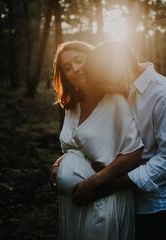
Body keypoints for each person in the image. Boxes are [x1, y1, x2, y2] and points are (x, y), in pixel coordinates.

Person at [72, 41, 166, 240]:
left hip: (153, 208)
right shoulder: (124, 89)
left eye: (103, 80)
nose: (103, 87)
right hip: (122, 203)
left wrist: (107, 184)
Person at [50, 40, 144, 240]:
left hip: (104, 199)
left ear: (94, 61)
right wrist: (58, 164)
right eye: (67, 67)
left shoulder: (115, 102)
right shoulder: (72, 105)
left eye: (79, 60)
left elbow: (134, 153)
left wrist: (93, 183)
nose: (74, 69)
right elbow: (72, 148)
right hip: (75, 203)